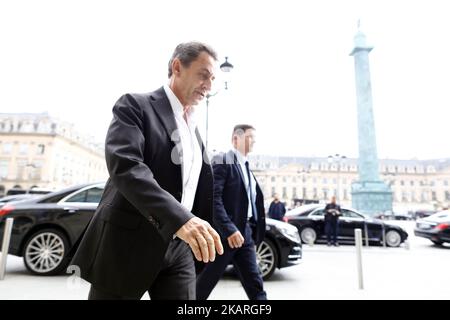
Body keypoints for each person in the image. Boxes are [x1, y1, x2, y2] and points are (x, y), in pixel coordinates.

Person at [69, 42, 224, 300]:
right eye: (203, 74)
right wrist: (180, 219)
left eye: (213, 78)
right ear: (177, 67)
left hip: (179, 248)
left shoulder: (194, 126)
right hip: (128, 243)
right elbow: (126, 166)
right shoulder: (135, 106)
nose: (209, 85)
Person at [196, 124, 267, 300]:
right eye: (249, 136)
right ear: (235, 139)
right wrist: (229, 229)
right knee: (203, 285)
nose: (253, 141)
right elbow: (214, 198)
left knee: (255, 285)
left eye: (254, 137)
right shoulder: (222, 160)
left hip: (245, 234)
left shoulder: (246, 166)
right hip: (224, 236)